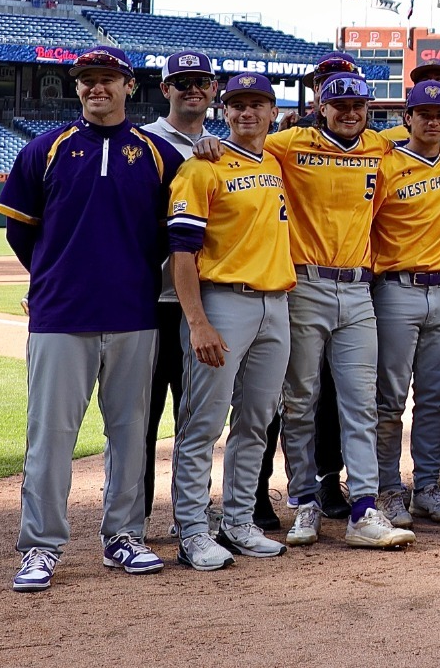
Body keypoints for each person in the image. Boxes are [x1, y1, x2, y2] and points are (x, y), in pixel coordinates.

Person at [0, 47, 180, 591]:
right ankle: (40, 546)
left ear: (128, 85)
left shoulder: (157, 155)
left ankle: (123, 536)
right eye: (86, 81)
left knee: (130, 434)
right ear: (77, 89)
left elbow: (176, 234)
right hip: (61, 317)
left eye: (107, 79)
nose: (96, 88)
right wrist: (57, 278)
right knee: (49, 437)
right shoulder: (44, 149)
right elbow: (20, 231)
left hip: (134, 314)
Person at [252, 74, 414, 550]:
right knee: (300, 399)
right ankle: (305, 500)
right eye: (339, 104)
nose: (349, 112)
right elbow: (245, 142)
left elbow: (427, 143)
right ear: (321, 107)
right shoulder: (289, 145)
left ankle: (364, 508)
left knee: (360, 402)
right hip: (305, 284)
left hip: (359, 289)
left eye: (357, 105)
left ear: (367, 108)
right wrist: (209, 146)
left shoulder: (379, 148)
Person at [166, 74, 295, 573]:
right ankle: (193, 531)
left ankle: (239, 521)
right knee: (202, 423)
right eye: (237, 105)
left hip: (275, 305)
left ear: (271, 111)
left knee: (256, 422)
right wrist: (197, 322)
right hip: (222, 302)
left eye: (256, 105)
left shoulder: (278, 161)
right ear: (225, 112)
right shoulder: (203, 167)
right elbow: (182, 254)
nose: (247, 113)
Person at [371, 79, 440, 528]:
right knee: (390, 398)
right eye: (424, 114)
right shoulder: (385, 164)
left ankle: (428, 485)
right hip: (397, 287)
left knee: (437, 395)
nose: (433, 120)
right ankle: (388, 489)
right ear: (406, 118)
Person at [138, 51, 219, 536]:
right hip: (148, 302)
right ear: (164, 89)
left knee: (198, 420)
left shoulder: (224, 150)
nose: (192, 89)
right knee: (139, 421)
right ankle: (135, 517)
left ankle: (190, 513)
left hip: (205, 303)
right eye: (181, 82)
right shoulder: (143, 142)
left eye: (200, 82)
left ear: (213, 90)